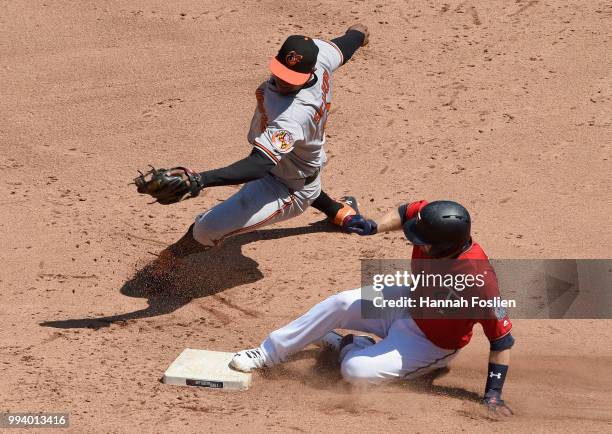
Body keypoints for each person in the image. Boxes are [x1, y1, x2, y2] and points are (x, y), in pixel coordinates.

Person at [230, 200, 515, 417]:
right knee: (342, 302)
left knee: (356, 371)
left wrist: (493, 394)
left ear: (443, 247)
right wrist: (375, 226)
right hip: (406, 301)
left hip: (430, 343)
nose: (414, 240)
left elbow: (502, 340)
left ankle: (349, 345)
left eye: (422, 242)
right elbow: (405, 212)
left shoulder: (480, 281)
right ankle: (268, 352)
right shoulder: (432, 218)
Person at [137, 25, 371, 267]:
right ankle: (337, 210)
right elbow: (342, 48)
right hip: (295, 161)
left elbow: (259, 165)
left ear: (309, 72)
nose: (282, 82)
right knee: (291, 164)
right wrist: (357, 35)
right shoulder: (319, 58)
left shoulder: (294, 116)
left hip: (285, 187)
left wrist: (200, 179)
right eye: (280, 73)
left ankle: (166, 265)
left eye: (291, 82)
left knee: (207, 228)